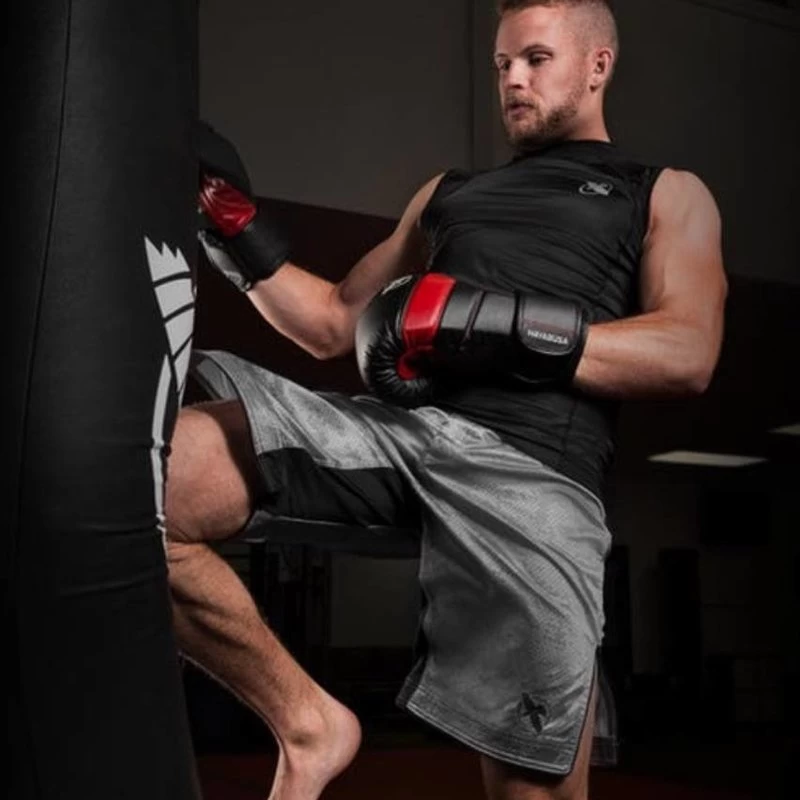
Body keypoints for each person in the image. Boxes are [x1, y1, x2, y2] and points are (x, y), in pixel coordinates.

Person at [169, 1, 727, 798]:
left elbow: (689, 350)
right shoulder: (449, 193)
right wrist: (231, 227)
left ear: (598, 66)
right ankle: (310, 724)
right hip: (407, 434)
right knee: (153, 483)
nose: (513, 79)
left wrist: (495, 323)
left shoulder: (662, 192)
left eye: (536, 59)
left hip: (534, 479)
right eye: (502, 64)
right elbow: (331, 322)